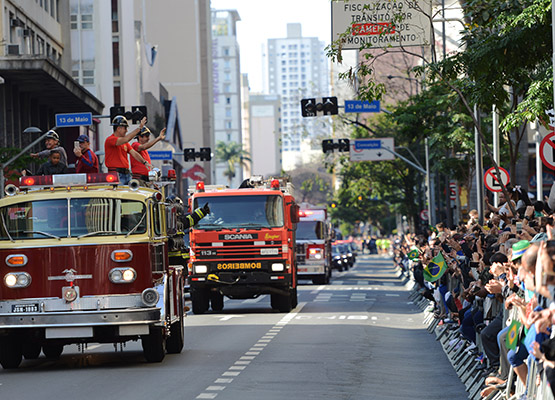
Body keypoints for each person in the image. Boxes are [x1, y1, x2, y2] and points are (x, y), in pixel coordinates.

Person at [104, 115, 151, 185]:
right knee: (119, 194)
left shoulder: (124, 143)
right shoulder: (110, 140)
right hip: (116, 174)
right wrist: (139, 128)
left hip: (126, 174)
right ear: (118, 128)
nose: (126, 130)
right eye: (125, 128)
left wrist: (144, 162)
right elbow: (126, 139)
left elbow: (134, 153)